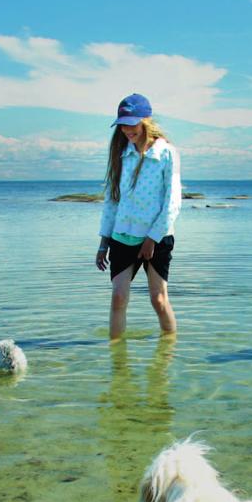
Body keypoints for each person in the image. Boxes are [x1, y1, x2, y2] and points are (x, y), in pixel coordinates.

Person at [96, 93, 182, 340]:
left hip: (157, 237)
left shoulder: (166, 153)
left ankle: (168, 352)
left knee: (158, 299)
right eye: (122, 124)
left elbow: (173, 202)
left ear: (146, 120)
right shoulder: (121, 155)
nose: (126, 129)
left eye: (132, 123)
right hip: (122, 236)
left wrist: (152, 238)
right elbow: (112, 201)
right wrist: (103, 243)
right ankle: (118, 365)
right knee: (118, 297)